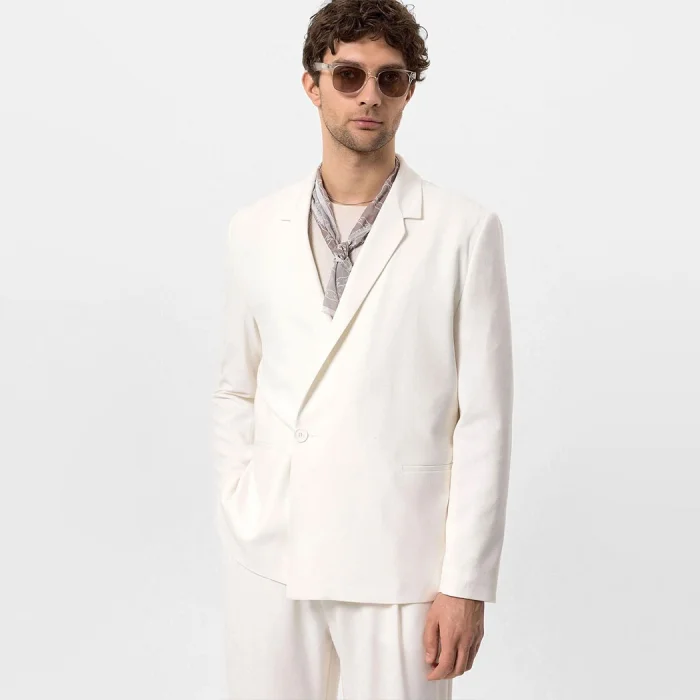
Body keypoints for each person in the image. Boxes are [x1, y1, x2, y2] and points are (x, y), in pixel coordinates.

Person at [211, 1, 514, 698]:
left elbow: (485, 419)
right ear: (312, 84)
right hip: (273, 551)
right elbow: (235, 385)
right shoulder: (253, 228)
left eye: (390, 78)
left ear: (409, 92)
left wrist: (465, 582)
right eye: (348, 75)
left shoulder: (464, 231)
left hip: (400, 561)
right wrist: (239, 501)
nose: (369, 95)